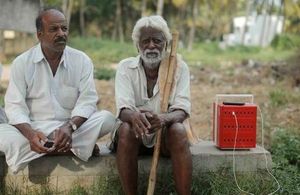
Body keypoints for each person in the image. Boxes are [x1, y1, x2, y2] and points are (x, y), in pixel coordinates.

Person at [0, 8, 119, 174]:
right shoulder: (22, 63)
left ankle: (45, 150)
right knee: (2, 132)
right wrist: (31, 135)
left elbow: (87, 100)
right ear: (39, 35)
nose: (61, 33)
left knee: (107, 119)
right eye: (54, 29)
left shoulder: (81, 60)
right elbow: (14, 106)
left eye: (64, 28)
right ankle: (76, 149)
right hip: (35, 129)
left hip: (70, 130)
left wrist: (69, 127)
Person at [113, 15, 192, 195]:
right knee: (126, 128)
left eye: (157, 41)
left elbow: (182, 110)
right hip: (135, 138)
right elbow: (123, 109)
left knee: (178, 130)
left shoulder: (180, 68)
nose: (151, 46)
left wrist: (163, 119)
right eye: (145, 41)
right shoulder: (125, 68)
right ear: (137, 45)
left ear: (165, 44)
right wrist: (134, 116)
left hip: (164, 138)